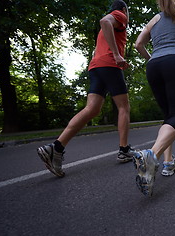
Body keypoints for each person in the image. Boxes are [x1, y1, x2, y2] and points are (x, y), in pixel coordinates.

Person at [37, 0, 135, 178]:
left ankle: (56, 148)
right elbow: (104, 21)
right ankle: (124, 149)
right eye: (127, 12)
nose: (127, 17)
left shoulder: (110, 26)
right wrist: (116, 54)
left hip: (96, 67)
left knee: (92, 109)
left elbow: (106, 26)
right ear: (122, 10)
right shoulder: (119, 15)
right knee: (124, 107)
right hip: (110, 65)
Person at [133, 0, 175, 196]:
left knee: (169, 117)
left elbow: (138, 44)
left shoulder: (154, 19)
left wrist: (152, 59)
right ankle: (152, 156)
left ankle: (168, 162)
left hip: (154, 65)